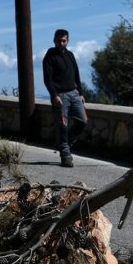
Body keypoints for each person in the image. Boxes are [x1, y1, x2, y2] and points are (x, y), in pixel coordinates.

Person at [42, 29, 87, 167]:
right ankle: (66, 156)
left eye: (64, 40)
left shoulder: (70, 55)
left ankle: (64, 143)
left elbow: (76, 75)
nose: (61, 43)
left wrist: (80, 92)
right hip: (60, 95)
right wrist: (54, 95)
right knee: (63, 125)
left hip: (74, 93)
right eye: (59, 40)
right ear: (54, 40)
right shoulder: (49, 57)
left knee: (82, 121)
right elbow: (47, 79)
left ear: (67, 41)